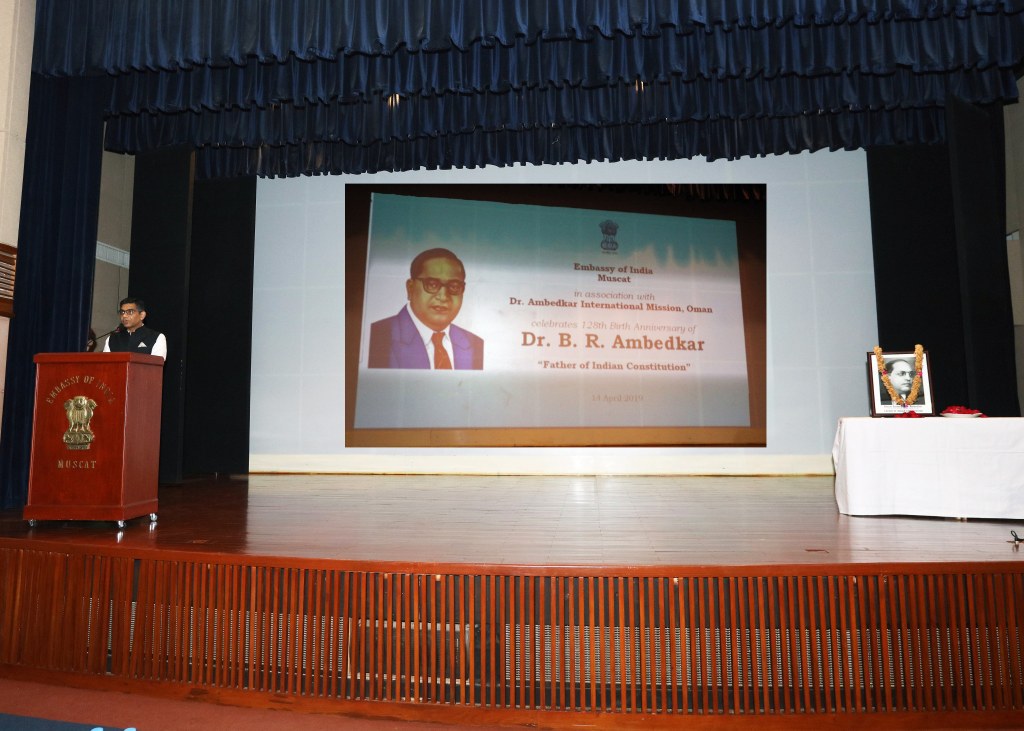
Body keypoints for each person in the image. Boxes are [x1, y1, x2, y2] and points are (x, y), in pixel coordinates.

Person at [368, 248, 484, 369]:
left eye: (454, 287)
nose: (443, 296)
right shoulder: (378, 337)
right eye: (432, 284)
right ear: (410, 288)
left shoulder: (476, 345)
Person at [102, 297, 167, 360]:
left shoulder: (156, 337)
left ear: (142, 315)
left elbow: (156, 366)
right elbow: (106, 365)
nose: (124, 316)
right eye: (122, 312)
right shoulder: (112, 339)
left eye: (130, 312)